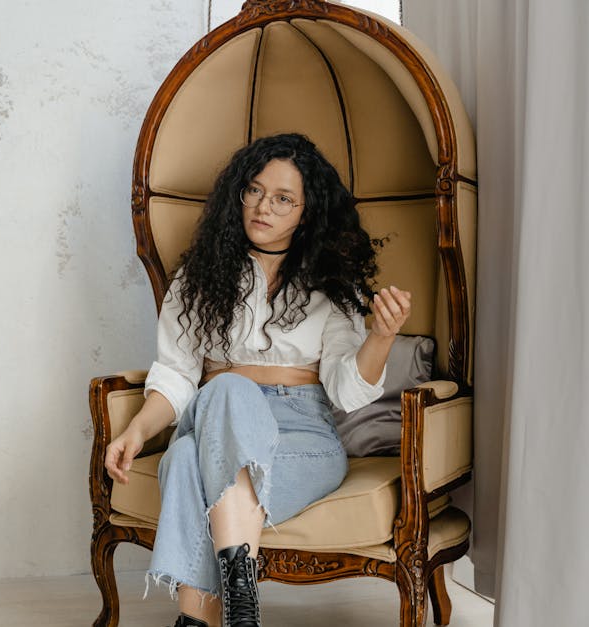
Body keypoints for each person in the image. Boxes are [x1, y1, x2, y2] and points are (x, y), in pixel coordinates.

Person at [104, 134, 412, 627]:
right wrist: (137, 432)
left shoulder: (332, 284)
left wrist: (380, 336)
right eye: (254, 190)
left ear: (307, 214)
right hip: (214, 422)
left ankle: (196, 622)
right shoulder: (198, 278)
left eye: (284, 199)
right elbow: (178, 375)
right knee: (220, 395)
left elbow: (347, 392)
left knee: (185, 457)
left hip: (303, 435)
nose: (263, 206)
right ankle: (242, 610)